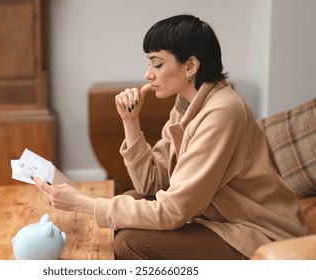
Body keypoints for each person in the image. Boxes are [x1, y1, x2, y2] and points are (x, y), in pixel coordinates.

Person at [33, 14, 308, 259]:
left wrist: (85, 203)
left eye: (157, 63)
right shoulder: (186, 105)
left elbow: (174, 210)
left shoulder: (223, 111)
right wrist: (130, 120)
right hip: (217, 218)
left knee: (130, 242)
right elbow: (150, 183)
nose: (148, 74)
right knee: (132, 199)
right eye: (149, 63)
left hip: (255, 232)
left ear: (190, 66)